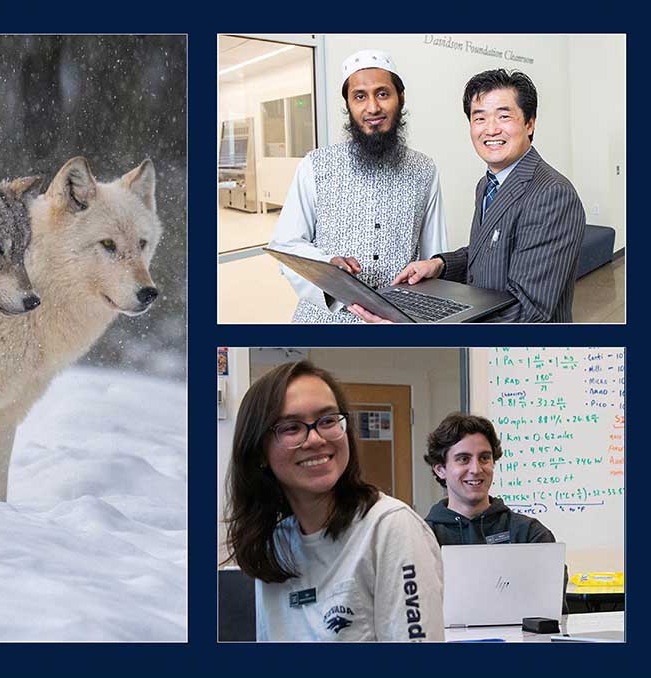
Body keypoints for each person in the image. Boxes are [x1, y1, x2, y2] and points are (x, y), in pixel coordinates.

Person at [224, 361, 444, 641]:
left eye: (328, 421)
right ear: (258, 451)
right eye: (291, 428)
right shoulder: (275, 545)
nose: (316, 439)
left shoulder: (390, 527)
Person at [352, 69, 585, 323]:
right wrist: (439, 265)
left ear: (529, 123)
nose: (491, 129)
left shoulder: (552, 193)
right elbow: (489, 249)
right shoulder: (487, 185)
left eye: (504, 116)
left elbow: (529, 313)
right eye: (480, 118)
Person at [269, 49, 448, 324]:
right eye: (360, 96)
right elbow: (286, 244)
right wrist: (328, 265)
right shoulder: (316, 165)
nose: (372, 108)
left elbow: (434, 257)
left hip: (397, 320)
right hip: (322, 319)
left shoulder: (424, 169)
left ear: (400, 98)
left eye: (383, 93)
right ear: (348, 105)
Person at [423, 413, 568, 612]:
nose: (476, 469)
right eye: (463, 459)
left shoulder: (530, 534)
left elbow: (550, 616)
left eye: (484, 458)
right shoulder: (422, 537)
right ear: (440, 469)